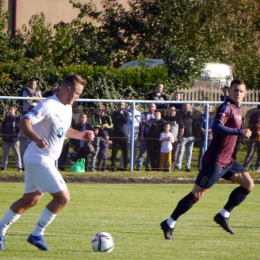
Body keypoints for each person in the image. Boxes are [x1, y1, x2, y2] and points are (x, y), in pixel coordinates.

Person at [0, 73, 94, 251]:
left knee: (31, 199)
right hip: (38, 158)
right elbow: (23, 122)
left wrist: (81, 135)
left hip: (45, 159)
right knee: (63, 198)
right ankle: (37, 234)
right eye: (77, 93)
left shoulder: (66, 107)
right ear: (68, 90)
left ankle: (0, 231)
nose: (78, 97)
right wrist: (36, 138)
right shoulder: (48, 105)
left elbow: (63, 129)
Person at [160, 79, 254, 240]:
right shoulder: (226, 107)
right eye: (235, 90)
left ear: (244, 93)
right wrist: (240, 132)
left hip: (227, 161)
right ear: (229, 91)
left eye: (241, 91)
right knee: (197, 195)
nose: (238, 93)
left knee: (249, 184)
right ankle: (169, 223)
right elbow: (217, 127)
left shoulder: (238, 110)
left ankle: (223, 215)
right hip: (215, 161)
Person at [1, 104, 23, 172]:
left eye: (11, 109)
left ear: (15, 110)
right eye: (9, 109)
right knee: (5, 153)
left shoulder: (18, 118)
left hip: (14, 139)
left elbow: (20, 128)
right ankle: (3, 167)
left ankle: (19, 167)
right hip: (6, 139)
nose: (10, 111)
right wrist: (3, 135)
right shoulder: (6, 119)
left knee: (17, 153)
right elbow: (2, 128)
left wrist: (17, 135)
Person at [91, 105, 113, 172]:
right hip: (97, 137)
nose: (98, 110)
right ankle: (93, 168)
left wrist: (106, 126)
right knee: (96, 153)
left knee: (104, 153)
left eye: (100, 109)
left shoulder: (107, 117)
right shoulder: (94, 117)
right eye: (98, 109)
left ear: (103, 110)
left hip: (105, 138)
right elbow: (95, 124)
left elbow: (111, 126)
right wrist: (103, 126)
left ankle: (103, 168)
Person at [119, 103, 141, 169]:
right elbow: (127, 121)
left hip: (135, 134)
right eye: (132, 104)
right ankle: (122, 165)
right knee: (125, 150)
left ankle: (132, 165)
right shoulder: (126, 112)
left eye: (136, 104)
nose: (134, 106)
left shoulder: (139, 113)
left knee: (134, 151)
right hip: (128, 134)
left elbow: (139, 122)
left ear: (137, 106)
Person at [136, 103, 156, 171]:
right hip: (144, 136)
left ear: (155, 107)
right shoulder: (143, 114)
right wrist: (141, 134)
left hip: (152, 136)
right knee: (142, 152)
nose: (151, 107)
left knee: (150, 153)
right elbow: (140, 125)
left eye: (152, 106)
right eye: (150, 106)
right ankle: (139, 166)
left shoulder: (156, 115)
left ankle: (148, 166)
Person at [163, 106, 184, 170]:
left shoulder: (178, 119)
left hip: (175, 140)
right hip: (166, 140)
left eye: (173, 110)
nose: (172, 112)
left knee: (174, 155)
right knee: (166, 153)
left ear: (175, 111)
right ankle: (165, 167)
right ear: (168, 111)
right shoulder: (165, 118)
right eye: (170, 110)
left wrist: (180, 136)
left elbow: (182, 129)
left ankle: (171, 167)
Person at [176, 103, 194, 171]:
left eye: (188, 106)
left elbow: (194, 122)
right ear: (182, 107)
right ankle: (179, 166)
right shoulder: (179, 114)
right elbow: (179, 121)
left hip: (191, 136)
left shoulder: (191, 115)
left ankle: (187, 166)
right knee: (181, 152)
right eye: (185, 106)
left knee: (189, 153)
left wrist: (191, 112)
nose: (186, 107)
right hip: (183, 136)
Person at [110, 102, 129, 171]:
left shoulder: (126, 113)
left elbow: (126, 121)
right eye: (120, 105)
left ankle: (125, 167)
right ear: (118, 106)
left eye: (122, 105)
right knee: (114, 152)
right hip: (116, 136)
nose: (121, 106)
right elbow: (114, 122)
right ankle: (113, 167)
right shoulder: (114, 114)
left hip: (124, 136)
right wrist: (120, 116)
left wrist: (122, 115)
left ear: (124, 106)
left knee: (125, 152)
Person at [20, 103, 37, 171]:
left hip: (34, 139)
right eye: (30, 108)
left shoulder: (40, 118)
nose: (31, 110)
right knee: (23, 152)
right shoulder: (25, 118)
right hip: (24, 138)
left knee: (35, 153)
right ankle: (23, 167)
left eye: (33, 108)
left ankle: (34, 167)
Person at [197, 105, 214, 170]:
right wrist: (205, 131)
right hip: (203, 138)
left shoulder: (213, 118)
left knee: (210, 153)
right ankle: (200, 167)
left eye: (210, 108)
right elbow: (201, 128)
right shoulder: (201, 117)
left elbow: (213, 128)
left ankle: (209, 166)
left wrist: (208, 131)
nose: (208, 109)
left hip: (210, 138)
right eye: (207, 107)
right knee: (202, 152)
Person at [243, 105, 260, 171]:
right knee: (250, 153)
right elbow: (249, 124)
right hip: (254, 136)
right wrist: (255, 126)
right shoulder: (254, 115)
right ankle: (245, 167)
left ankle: (258, 168)